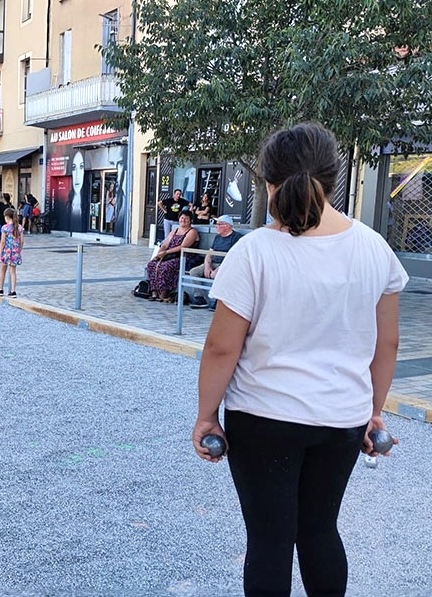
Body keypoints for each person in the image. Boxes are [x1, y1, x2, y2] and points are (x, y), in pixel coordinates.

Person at [192, 123, 407, 597]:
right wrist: (374, 411)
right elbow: (386, 345)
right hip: (342, 419)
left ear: (268, 183)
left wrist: (207, 416)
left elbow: (222, 347)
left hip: (263, 417)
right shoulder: (375, 249)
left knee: (269, 539)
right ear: (333, 178)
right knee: (319, 531)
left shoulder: (253, 253)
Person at [189, 215, 241, 309]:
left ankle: (218, 300)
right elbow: (209, 253)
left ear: (227, 226)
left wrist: (219, 269)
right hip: (214, 263)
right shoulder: (217, 237)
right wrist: (207, 266)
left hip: (227, 265)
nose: (216, 226)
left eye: (219, 224)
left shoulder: (236, 237)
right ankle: (200, 298)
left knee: (219, 274)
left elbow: (234, 257)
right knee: (194, 272)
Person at [145, 211, 198, 301]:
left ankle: (164, 292)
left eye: (186, 218)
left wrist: (166, 252)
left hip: (181, 257)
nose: (183, 220)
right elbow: (165, 244)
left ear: (190, 220)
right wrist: (159, 254)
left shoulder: (192, 232)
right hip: (169, 255)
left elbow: (183, 247)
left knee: (165, 267)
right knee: (151, 264)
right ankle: (154, 290)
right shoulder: (175, 231)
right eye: (182, 218)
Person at [0, 207, 24, 297]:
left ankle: (1, 289)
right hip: (15, 251)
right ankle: (13, 291)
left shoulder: (5, 228)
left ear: (7, 217)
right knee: (13, 271)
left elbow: (2, 241)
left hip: (6, 251)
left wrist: (0, 252)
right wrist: (19, 249)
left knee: (3, 270)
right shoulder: (19, 227)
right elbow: (22, 241)